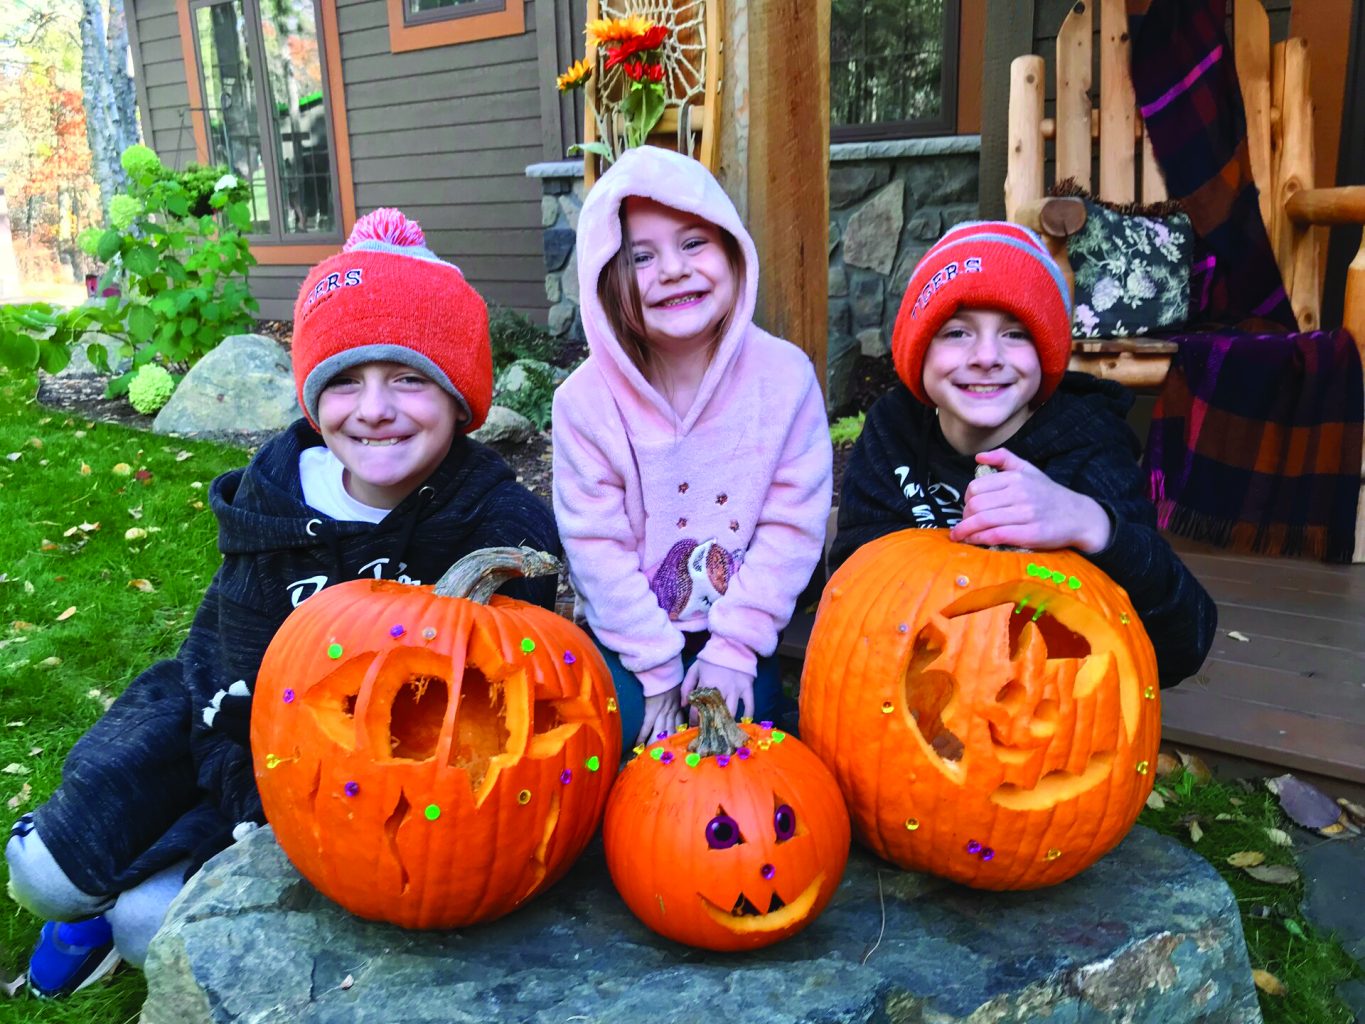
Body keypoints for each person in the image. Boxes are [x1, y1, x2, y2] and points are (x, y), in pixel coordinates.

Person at [5, 209, 559, 996]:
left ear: (461, 398)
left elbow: (515, 671)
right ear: (312, 394)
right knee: (43, 870)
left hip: (345, 763)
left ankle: (121, 911)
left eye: (410, 377)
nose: (374, 408)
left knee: (150, 920)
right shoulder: (271, 503)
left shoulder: (489, 521)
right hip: (217, 708)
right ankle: (83, 903)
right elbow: (234, 676)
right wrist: (235, 795)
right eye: (345, 379)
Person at [831, 220, 1215, 686]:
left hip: (1050, 703)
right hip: (911, 689)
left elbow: (1184, 641)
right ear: (919, 351)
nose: (987, 356)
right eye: (956, 333)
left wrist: (1091, 524)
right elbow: (855, 590)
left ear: (1047, 353)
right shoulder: (893, 431)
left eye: (1015, 333)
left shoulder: (1087, 446)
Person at [553, 146, 833, 749]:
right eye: (641, 256)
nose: (673, 270)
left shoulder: (784, 380)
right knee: (623, 740)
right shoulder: (584, 404)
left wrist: (735, 648)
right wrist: (655, 670)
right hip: (631, 634)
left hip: (745, 628)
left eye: (694, 243)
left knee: (743, 745)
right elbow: (596, 547)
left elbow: (793, 525)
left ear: (734, 254)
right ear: (606, 278)